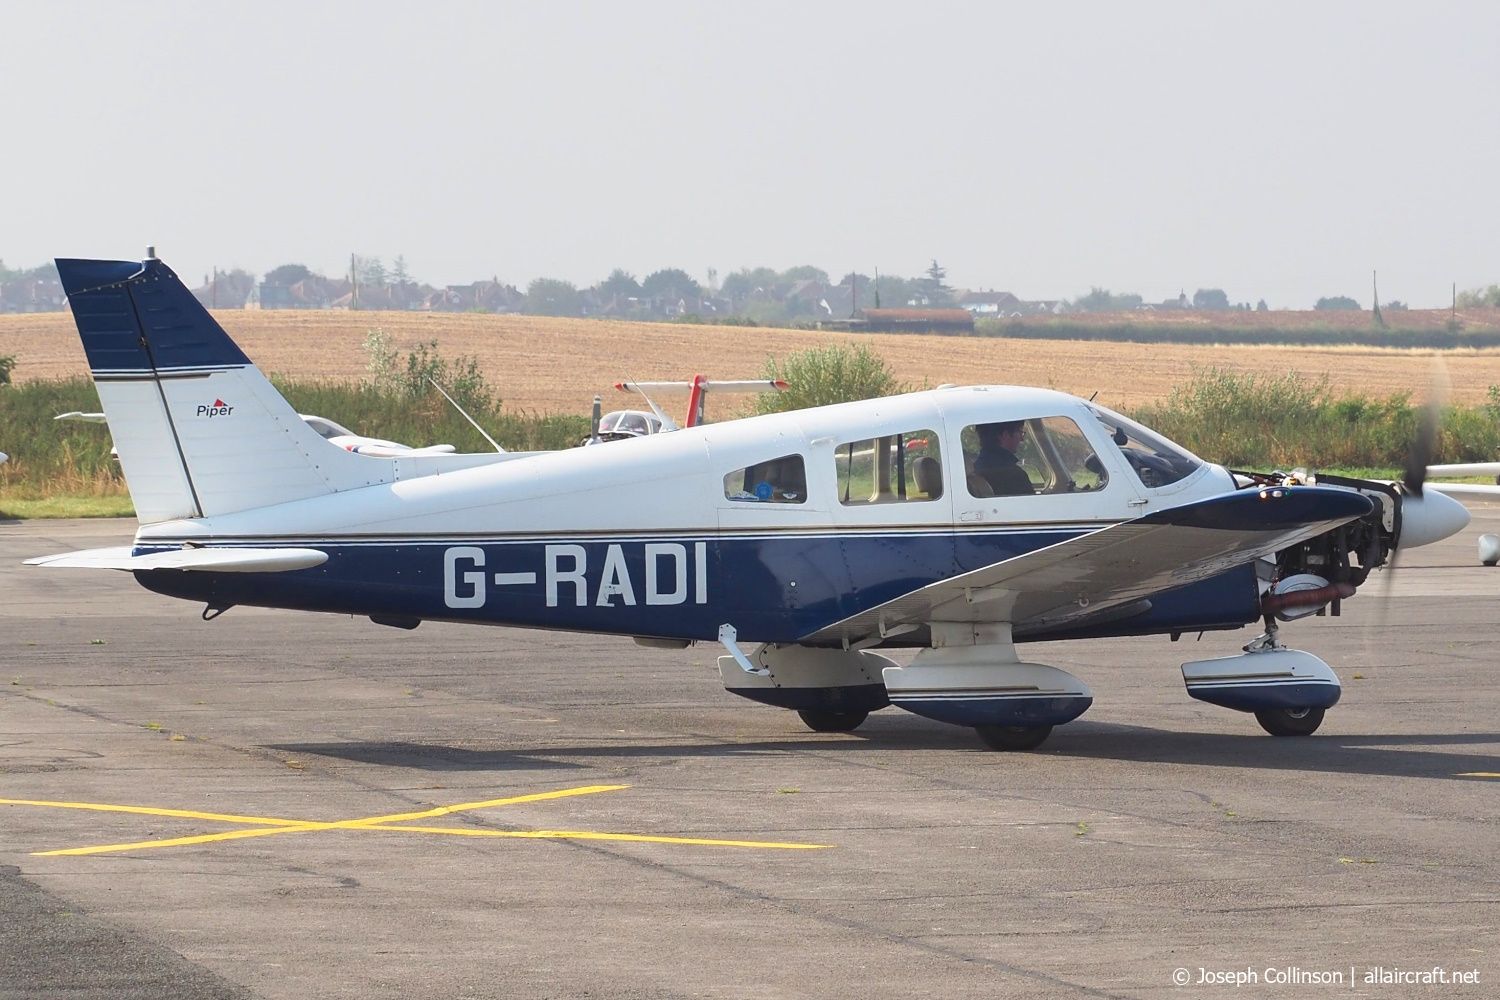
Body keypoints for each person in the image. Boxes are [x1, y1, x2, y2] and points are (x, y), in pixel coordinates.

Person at [973, 421, 1033, 496]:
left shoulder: (977, 466)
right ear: (1006, 435)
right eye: (1020, 432)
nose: (1022, 439)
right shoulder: (1015, 475)